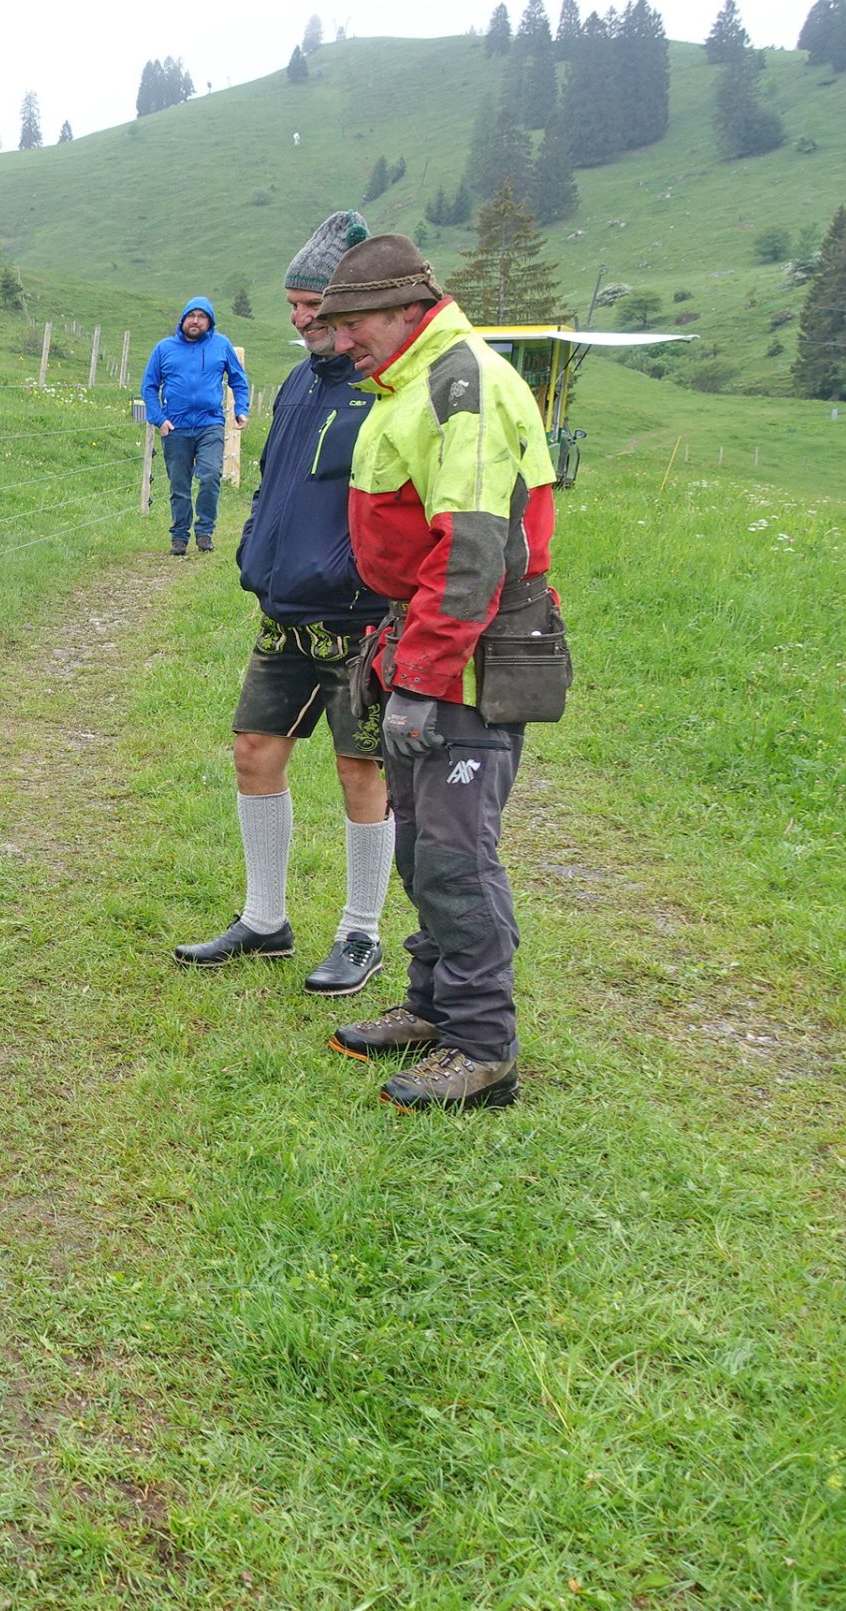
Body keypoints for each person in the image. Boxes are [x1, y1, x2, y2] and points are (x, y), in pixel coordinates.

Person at [314, 233, 565, 1112]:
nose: (342, 340)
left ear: (407, 309)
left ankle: (484, 1048)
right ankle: (432, 1007)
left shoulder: (466, 385)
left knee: (457, 857)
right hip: (422, 638)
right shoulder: (411, 382)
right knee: (421, 847)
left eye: (355, 322)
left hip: (471, 653)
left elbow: (471, 550)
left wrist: (421, 680)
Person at [174, 212, 393, 996]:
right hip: (284, 613)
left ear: (352, 305)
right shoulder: (300, 382)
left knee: (360, 767)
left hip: (359, 623)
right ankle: (265, 920)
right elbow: (275, 479)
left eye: (312, 305)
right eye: (293, 305)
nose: (299, 319)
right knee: (253, 752)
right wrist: (253, 548)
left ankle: (362, 934)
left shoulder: (385, 389)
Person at [140, 296, 250, 556]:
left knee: (210, 475)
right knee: (179, 485)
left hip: (210, 424)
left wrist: (241, 409)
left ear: (210, 322)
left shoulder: (221, 345)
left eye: (202, 317)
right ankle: (179, 537)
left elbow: (238, 380)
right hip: (175, 427)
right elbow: (149, 386)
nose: (196, 321)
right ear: (183, 320)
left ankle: (205, 531)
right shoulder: (164, 348)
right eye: (191, 316)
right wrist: (159, 419)